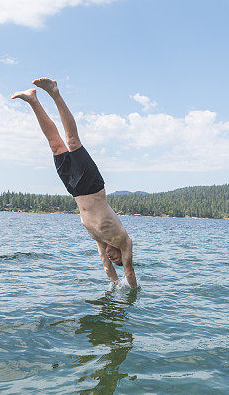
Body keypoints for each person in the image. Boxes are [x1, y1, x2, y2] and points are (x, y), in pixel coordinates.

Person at [12, 78, 138, 288]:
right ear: (122, 254)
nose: (110, 256)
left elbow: (107, 269)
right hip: (92, 186)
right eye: (116, 257)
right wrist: (132, 291)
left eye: (111, 257)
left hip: (74, 190)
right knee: (72, 141)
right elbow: (129, 270)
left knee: (55, 145)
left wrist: (116, 286)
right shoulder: (124, 240)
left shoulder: (101, 240)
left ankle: (32, 100)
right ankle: (54, 92)